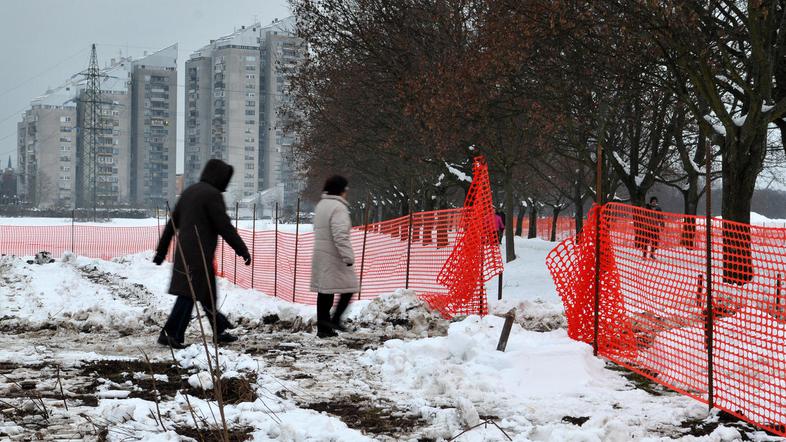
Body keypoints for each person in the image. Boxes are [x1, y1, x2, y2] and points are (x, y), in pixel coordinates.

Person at [153, 159, 251, 349]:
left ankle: (219, 330)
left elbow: (171, 225)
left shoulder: (190, 191)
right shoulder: (212, 195)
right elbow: (224, 226)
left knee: (207, 293)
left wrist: (161, 251)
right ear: (219, 177)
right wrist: (242, 249)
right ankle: (170, 333)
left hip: (186, 252)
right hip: (198, 254)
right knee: (188, 294)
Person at [310, 175, 359, 338]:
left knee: (324, 291)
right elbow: (340, 235)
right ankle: (336, 319)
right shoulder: (339, 207)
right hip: (335, 255)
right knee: (350, 287)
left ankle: (323, 327)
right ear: (341, 190)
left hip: (321, 253)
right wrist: (348, 256)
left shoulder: (321, 205)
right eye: (346, 189)